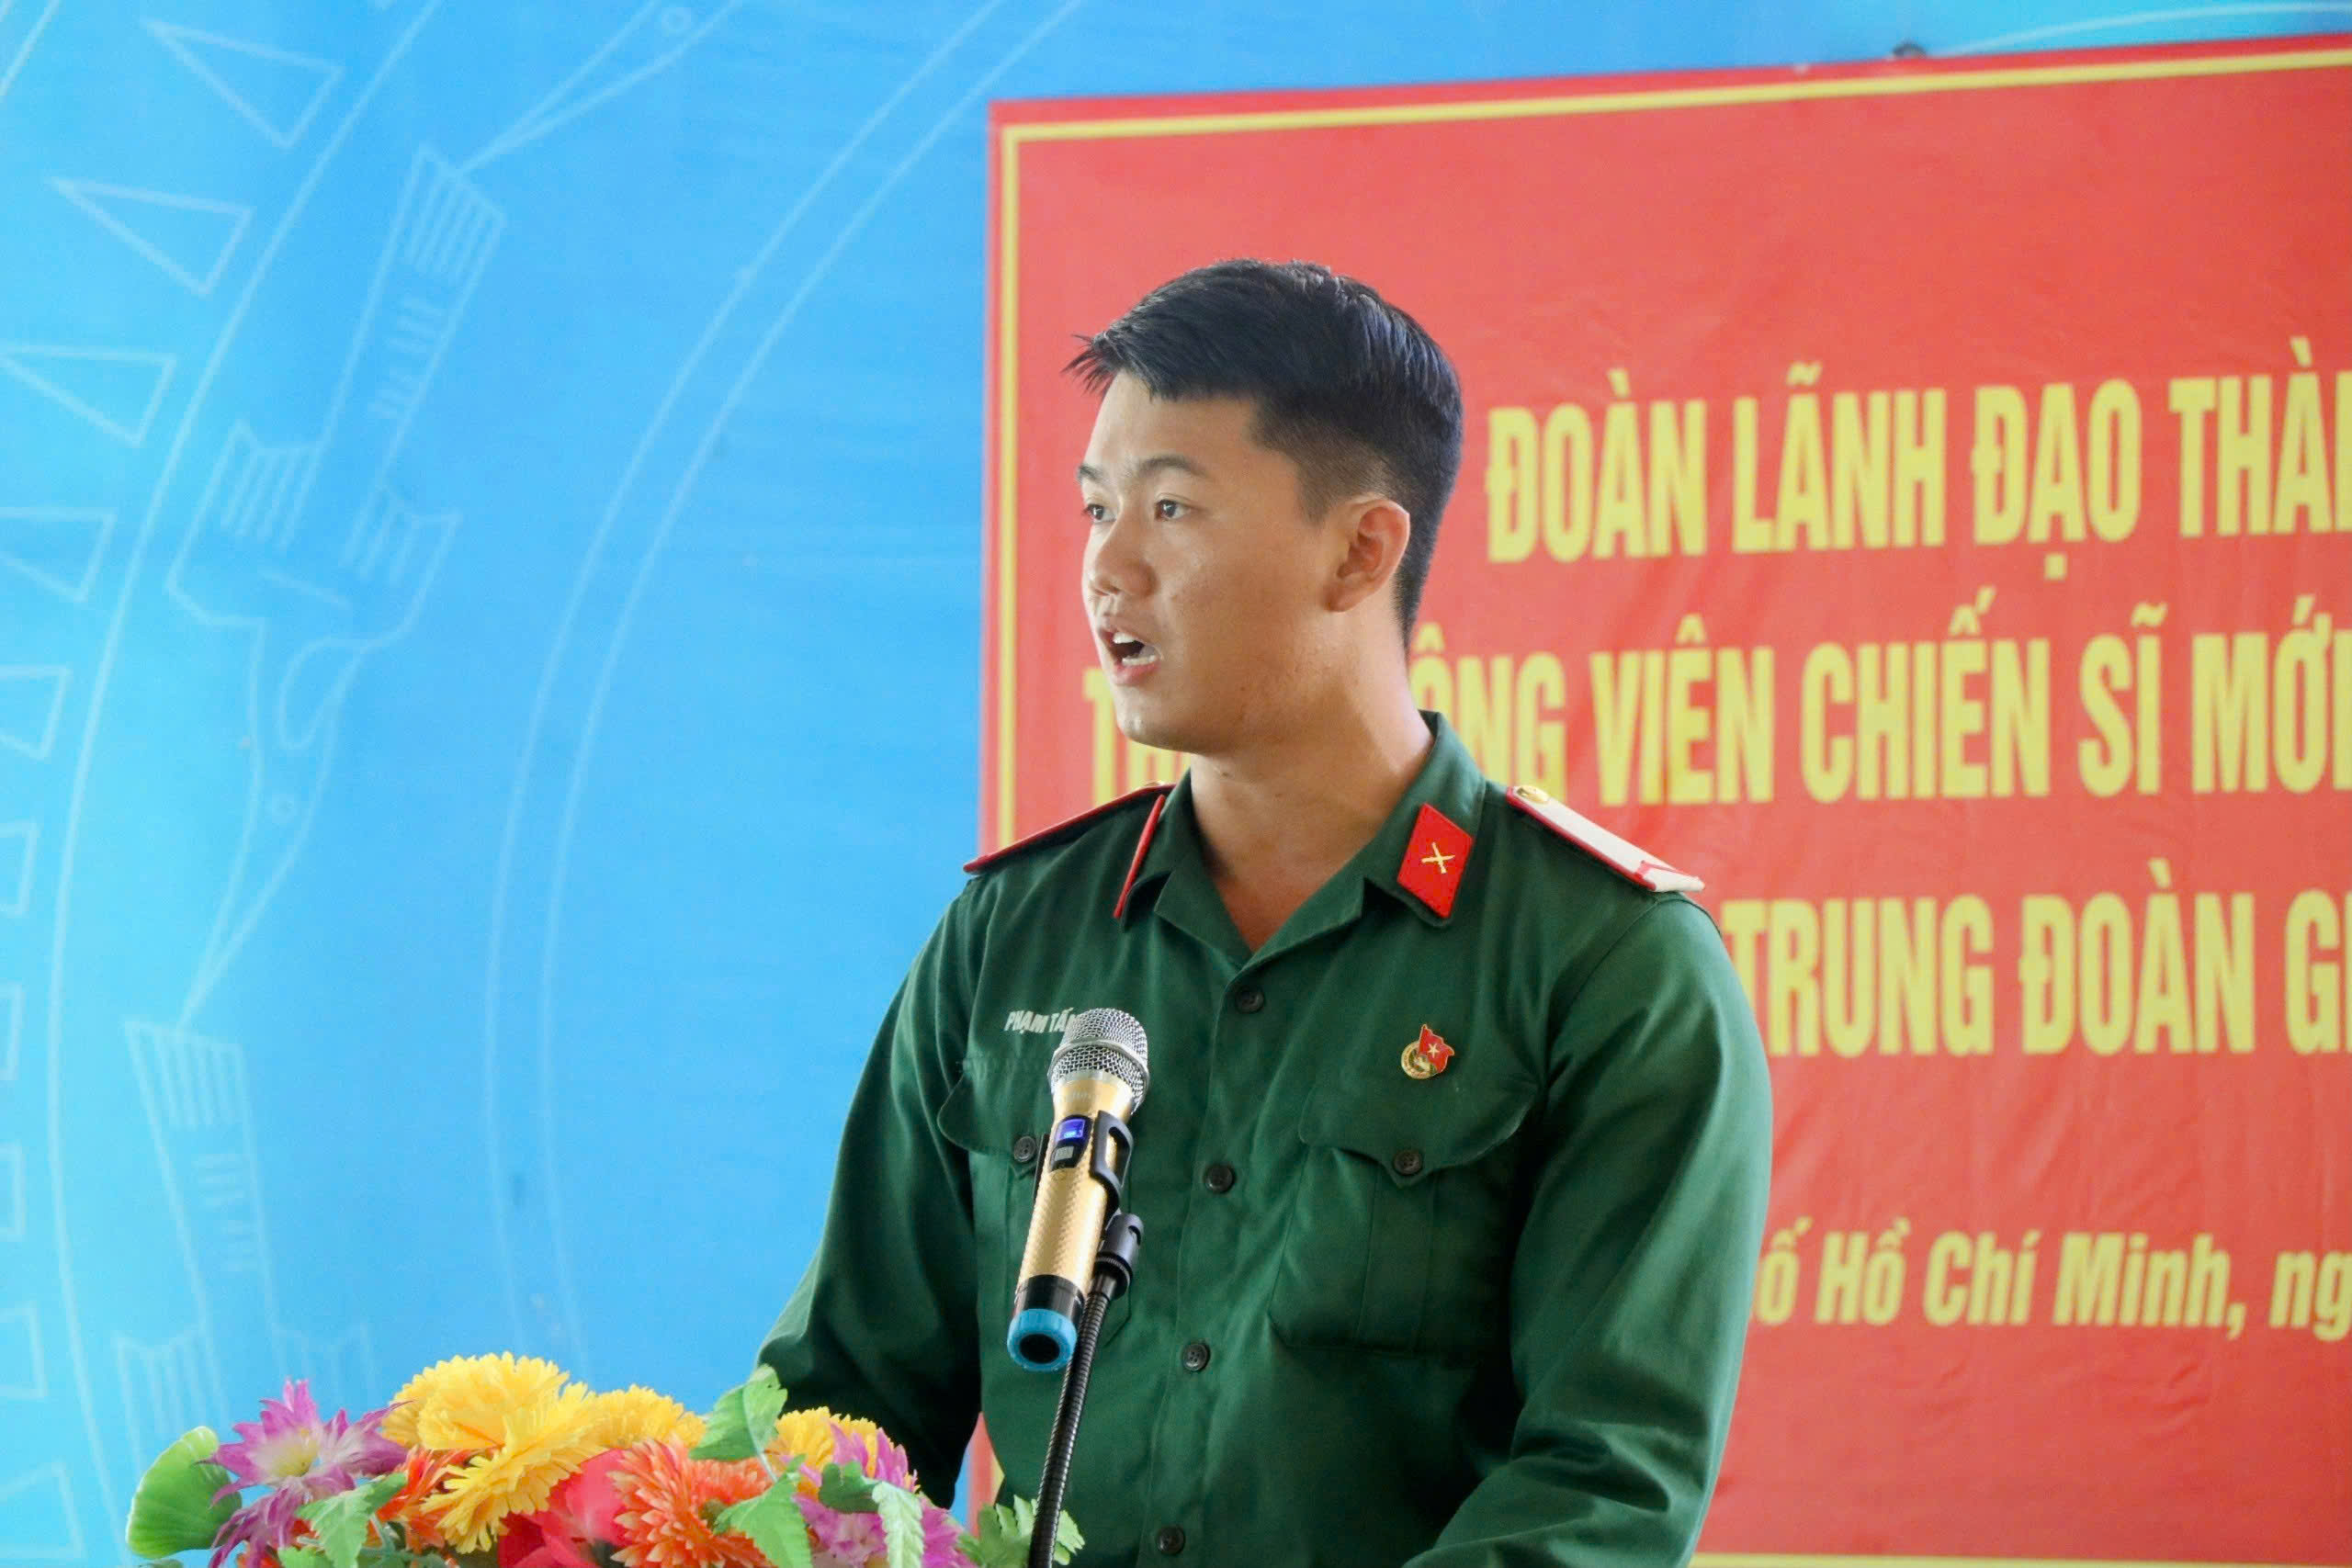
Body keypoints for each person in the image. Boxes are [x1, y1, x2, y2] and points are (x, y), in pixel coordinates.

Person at [762, 259, 1771, 1567]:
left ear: (1361, 550)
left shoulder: (1608, 966)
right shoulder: (1013, 936)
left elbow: (1600, 1492)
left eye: (1172, 508)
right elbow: (846, 1414)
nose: (1108, 567)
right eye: (1095, 508)